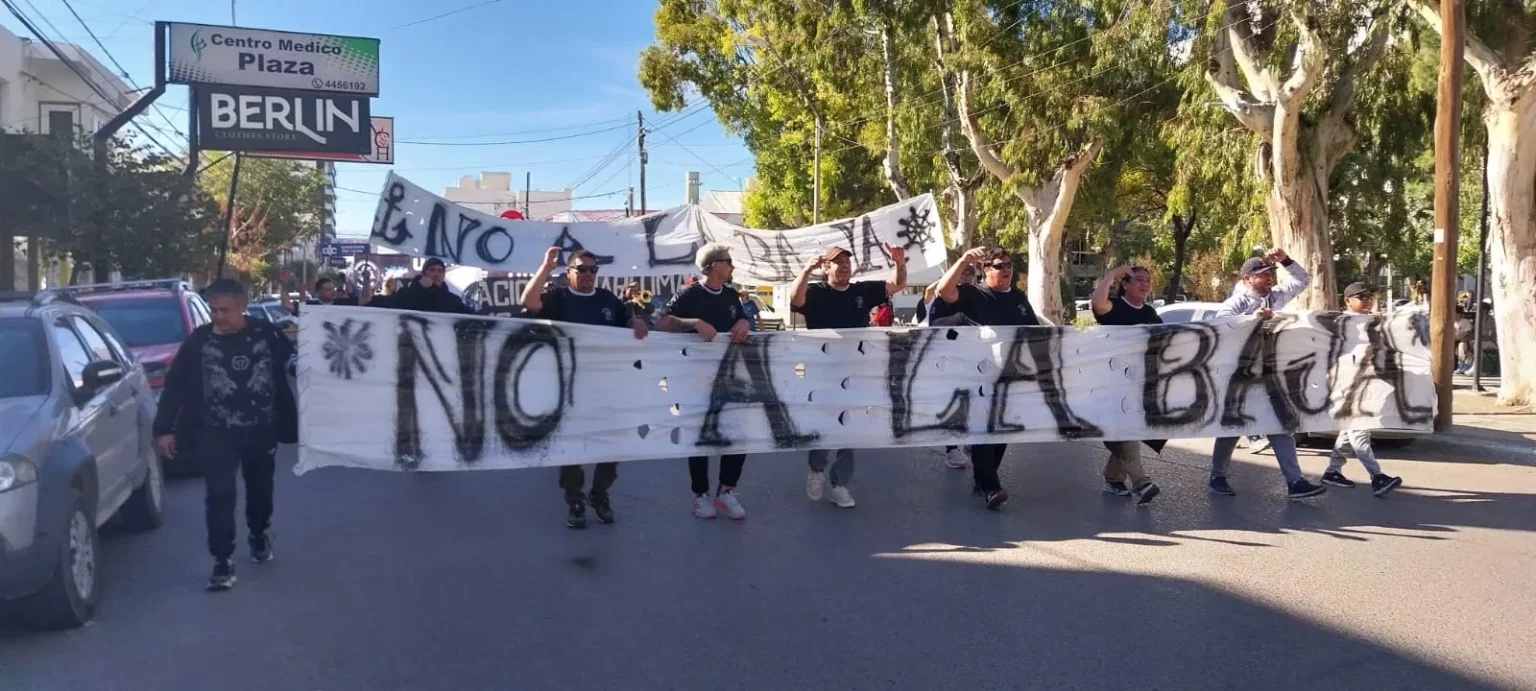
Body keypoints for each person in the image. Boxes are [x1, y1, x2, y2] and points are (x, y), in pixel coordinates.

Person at [153, 279, 297, 591]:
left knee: (260, 490)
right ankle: (222, 560)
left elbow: (293, 362)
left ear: (242, 307)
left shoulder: (266, 333)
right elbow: (175, 386)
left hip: (261, 430)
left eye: (225, 310)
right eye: (214, 310)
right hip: (214, 432)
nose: (218, 316)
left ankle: (259, 533)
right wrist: (164, 429)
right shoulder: (198, 342)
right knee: (219, 497)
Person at [521, 248, 650, 528]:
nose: (589, 274)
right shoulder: (558, 298)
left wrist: (634, 320)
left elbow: (623, 322)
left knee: (611, 443)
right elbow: (528, 301)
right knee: (571, 446)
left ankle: (600, 494)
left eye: (593, 270)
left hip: (606, 387)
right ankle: (575, 499)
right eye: (582, 269)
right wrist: (545, 267)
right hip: (567, 389)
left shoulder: (607, 299)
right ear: (569, 273)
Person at [787, 244, 908, 508]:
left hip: (856, 371)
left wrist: (899, 262)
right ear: (826, 267)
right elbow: (796, 299)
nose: (844, 266)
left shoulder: (862, 290)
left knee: (850, 427)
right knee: (825, 424)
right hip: (823, 371)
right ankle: (817, 470)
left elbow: (897, 284)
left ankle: (839, 483)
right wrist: (807, 269)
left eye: (847, 261)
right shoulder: (817, 292)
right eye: (837, 262)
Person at [1209, 249, 1328, 500]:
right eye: (1262, 274)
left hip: (1270, 372)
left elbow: (1301, 281)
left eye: (1270, 273)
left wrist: (1284, 260)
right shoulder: (1238, 302)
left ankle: (1295, 481)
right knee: (1232, 426)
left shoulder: (1274, 298)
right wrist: (1252, 319)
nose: (1269, 278)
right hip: (1240, 373)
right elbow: (1221, 325)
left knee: (1280, 424)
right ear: (1247, 279)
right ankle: (1218, 476)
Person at [931, 247, 1040, 510]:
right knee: (982, 428)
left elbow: (1035, 332)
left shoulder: (1018, 298)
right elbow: (944, 292)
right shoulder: (973, 293)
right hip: (976, 375)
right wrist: (963, 260)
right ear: (986, 270)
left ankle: (983, 480)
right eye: (1000, 265)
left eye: (1009, 264)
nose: (1006, 270)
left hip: (1010, 375)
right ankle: (991, 486)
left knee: (1001, 431)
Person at [657, 243, 753, 519]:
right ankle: (700, 495)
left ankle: (726, 491)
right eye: (728, 261)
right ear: (714, 265)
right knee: (699, 436)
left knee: (738, 434)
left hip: (731, 377)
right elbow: (662, 322)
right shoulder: (689, 292)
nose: (732, 266)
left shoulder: (731, 294)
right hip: (695, 380)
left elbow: (743, 319)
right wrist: (694, 323)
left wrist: (744, 323)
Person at [1320, 283, 1405, 497]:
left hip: (1364, 384)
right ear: (1347, 301)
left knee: (1350, 431)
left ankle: (1332, 471)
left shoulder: (1368, 323)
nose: (1368, 300)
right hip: (1346, 385)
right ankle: (1377, 477)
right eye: (1362, 296)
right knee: (1359, 430)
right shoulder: (1341, 323)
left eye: (1370, 296)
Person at [1090, 265, 1162, 505]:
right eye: (1139, 279)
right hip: (1112, 385)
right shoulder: (1115, 307)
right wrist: (1110, 275)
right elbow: (1098, 304)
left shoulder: (1151, 314)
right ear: (1125, 285)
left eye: (1148, 280)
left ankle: (1113, 477)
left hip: (1140, 385)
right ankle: (1142, 483)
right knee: (1127, 431)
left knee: (1131, 431)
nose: (1145, 284)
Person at [379, 258, 472, 313]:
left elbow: (469, 316)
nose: (436, 274)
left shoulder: (452, 300)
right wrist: (419, 287)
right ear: (424, 273)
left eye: (440, 271)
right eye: (432, 270)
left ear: (444, 275)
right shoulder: (406, 293)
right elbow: (395, 305)